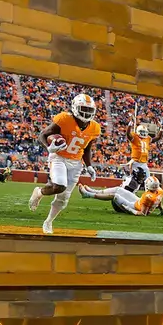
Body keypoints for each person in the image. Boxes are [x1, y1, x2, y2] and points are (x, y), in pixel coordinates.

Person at [28, 92, 101, 234]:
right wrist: (49, 148)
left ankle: (48, 222)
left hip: (76, 162)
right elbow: (42, 135)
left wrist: (89, 166)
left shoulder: (95, 127)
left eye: (89, 110)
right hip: (59, 157)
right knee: (59, 186)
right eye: (83, 109)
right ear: (74, 107)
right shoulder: (64, 119)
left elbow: (87, 149)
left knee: (63, 199)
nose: (86, 114)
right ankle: (39, 192)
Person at [78, 174, 163, 217]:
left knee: (115, 196)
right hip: (138, 201)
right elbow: (159, 202)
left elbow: (143, 213)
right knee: (118, 189)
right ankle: (94, 191)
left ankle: (88, 195)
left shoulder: (148, 197)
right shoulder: (159, 191)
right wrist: (162, 212)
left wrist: (130, 210)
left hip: (134, 206)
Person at [125, 122, 152, 193]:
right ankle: (129, 191)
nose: (143, 134)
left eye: (144, 132)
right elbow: (128, 135)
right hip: (135, 161)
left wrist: (161, 130)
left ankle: (148, 194)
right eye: (141, 132)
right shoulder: (135, 137)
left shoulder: (147, 139)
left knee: (148, 179)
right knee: (134, 179)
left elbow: (157, 138)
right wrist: (129, 126)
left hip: (144, 163)